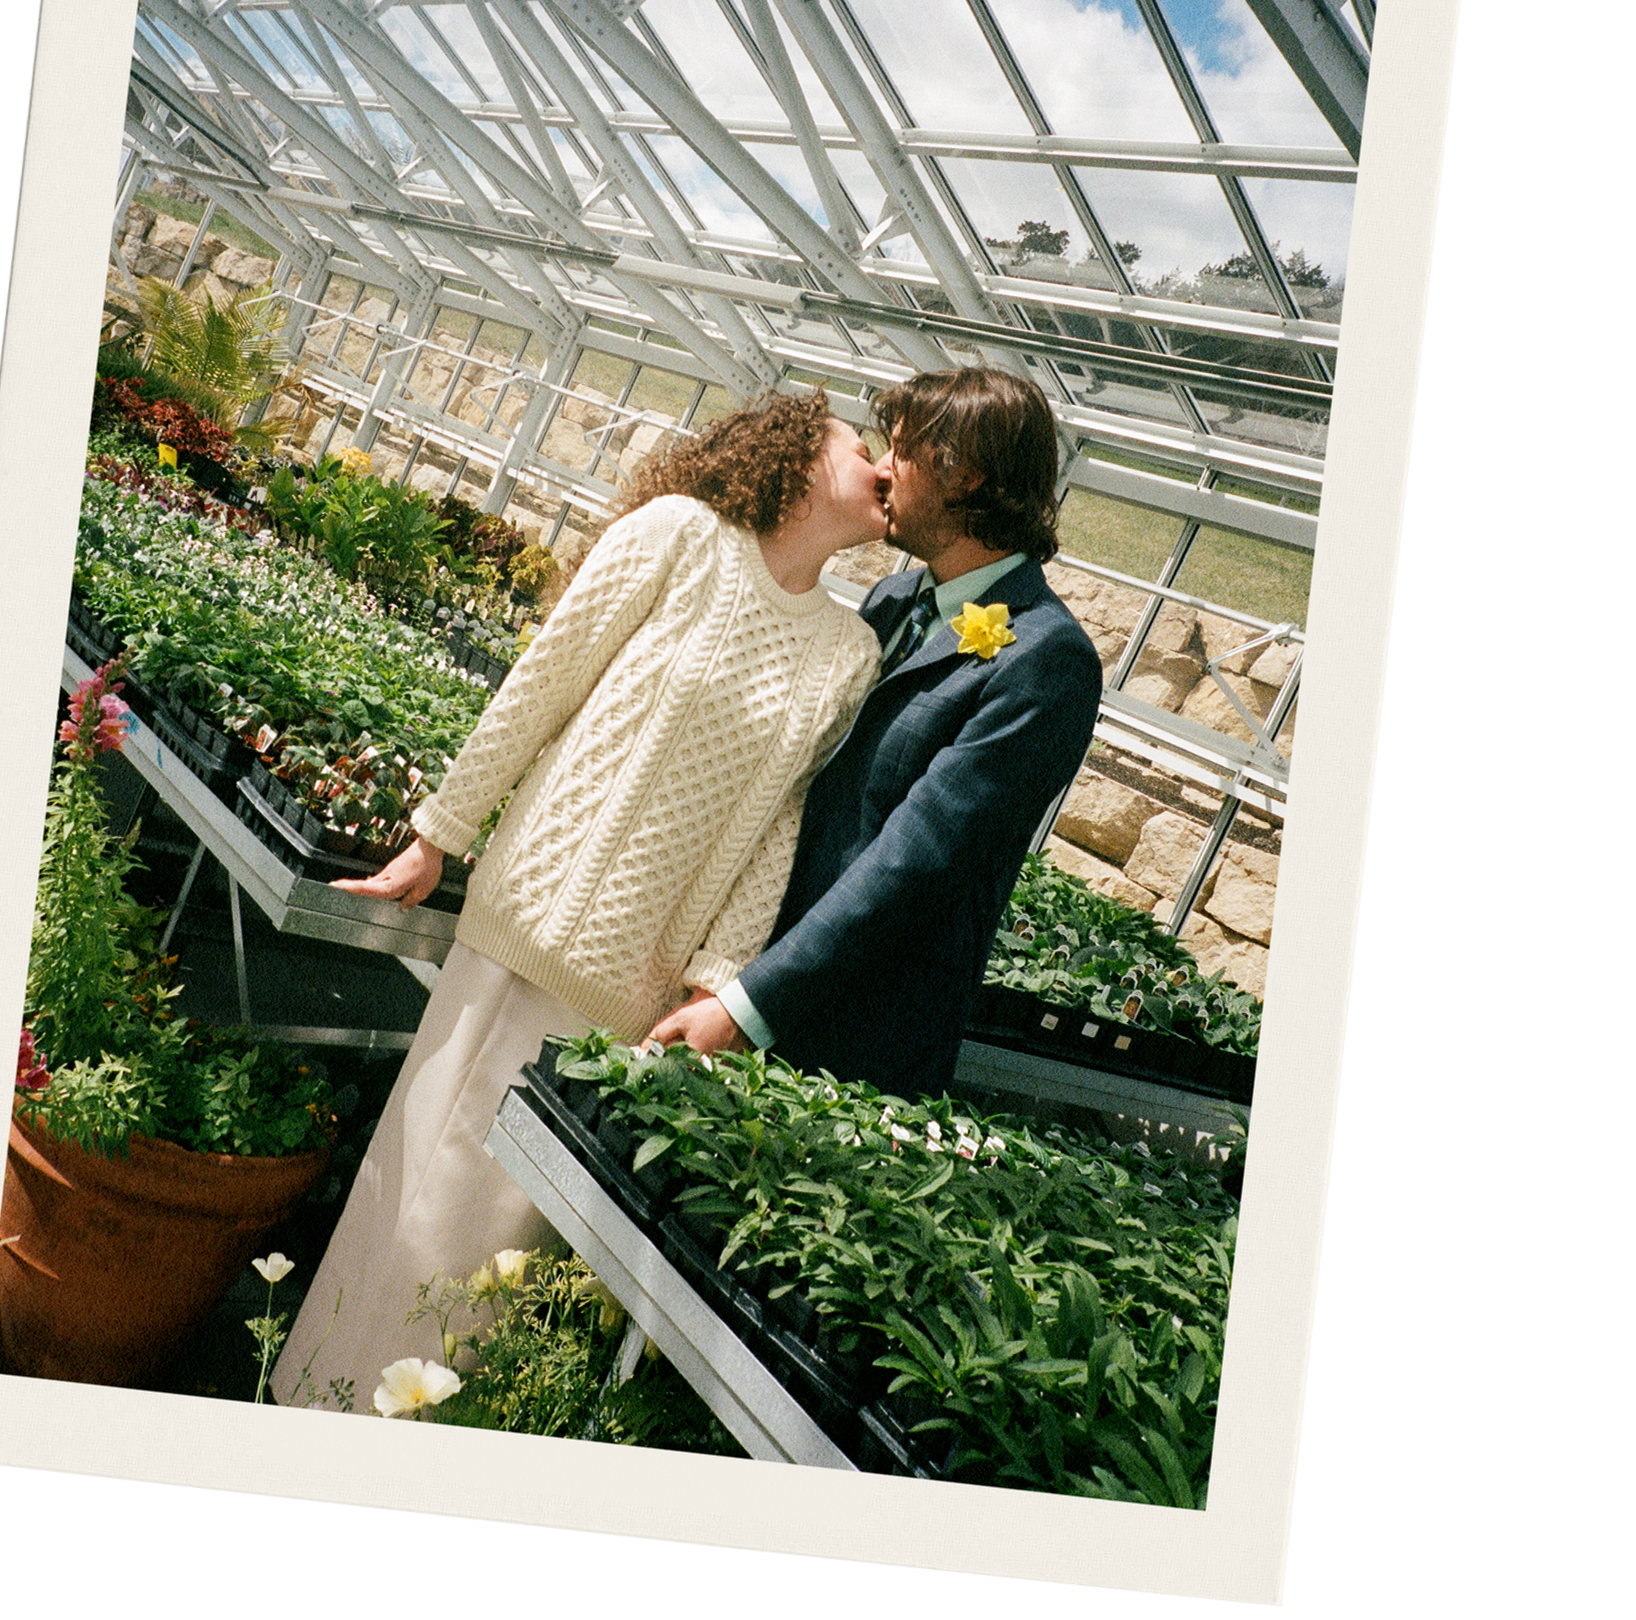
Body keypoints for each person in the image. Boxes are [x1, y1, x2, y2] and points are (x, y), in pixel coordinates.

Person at [271, 388, 886, 1411]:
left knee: (493, 1273)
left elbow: (780, 822)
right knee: (417, 1207)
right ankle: (311, 1412)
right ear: (789, 455)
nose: (877, 464)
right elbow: (540, 682)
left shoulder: (847, 648)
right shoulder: (681, 537)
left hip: (634, 996)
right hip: (531, 922)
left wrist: (716, 983)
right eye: (855, 443)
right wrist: (437, 835)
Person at [648, 366, 1103, 1100]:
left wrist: (749, 1004)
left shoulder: (1046, 661)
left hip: (846, 1044)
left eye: (902, 452)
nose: (881, 472)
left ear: (969, 477)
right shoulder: (894, 600)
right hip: (739, 978)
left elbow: (916, 861)